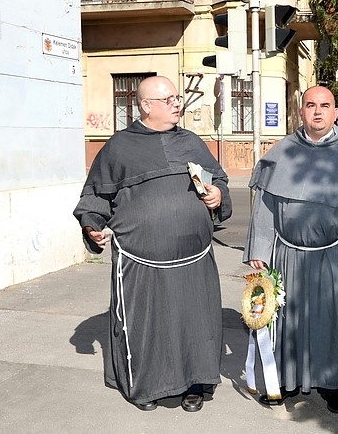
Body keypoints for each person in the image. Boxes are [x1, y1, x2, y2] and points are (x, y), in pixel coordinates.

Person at [73, 75, 232, 412]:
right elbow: (96, 197)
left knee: (195, 323)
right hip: (140, 262)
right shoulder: (119, 147)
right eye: (169, 99)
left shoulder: (190, 141)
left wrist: (218, 194)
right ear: (146, 106)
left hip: (194, 259)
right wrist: (92, 226)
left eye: (177, 98)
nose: (177, 104)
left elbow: (217, 180)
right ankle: (147, 387)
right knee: (148, 327)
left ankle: (195, 383)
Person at [243, 85, 338, 414]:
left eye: (325, 105)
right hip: (288, 256)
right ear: (301, 111)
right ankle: (287, 381)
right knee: (287, 322)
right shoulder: (280, 153)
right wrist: (260, 249)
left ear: (336, 113)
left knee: (334, 324)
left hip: (337, 256)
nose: (317, 111)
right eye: (310, 105)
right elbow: (265, 206)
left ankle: (331, 384)